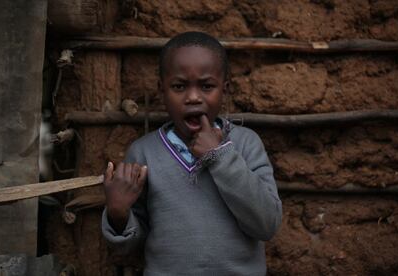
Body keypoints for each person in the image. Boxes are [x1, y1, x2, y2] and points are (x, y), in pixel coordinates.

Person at [102, 31, 282, 275]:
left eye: (207, 86)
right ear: (162, 90)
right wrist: (118, 213)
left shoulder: (245, 144)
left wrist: (220, 157)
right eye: (179, 86)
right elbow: (132, 243)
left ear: (224, 90)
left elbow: (266, 224)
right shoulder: (144, 153)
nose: (194, 97)